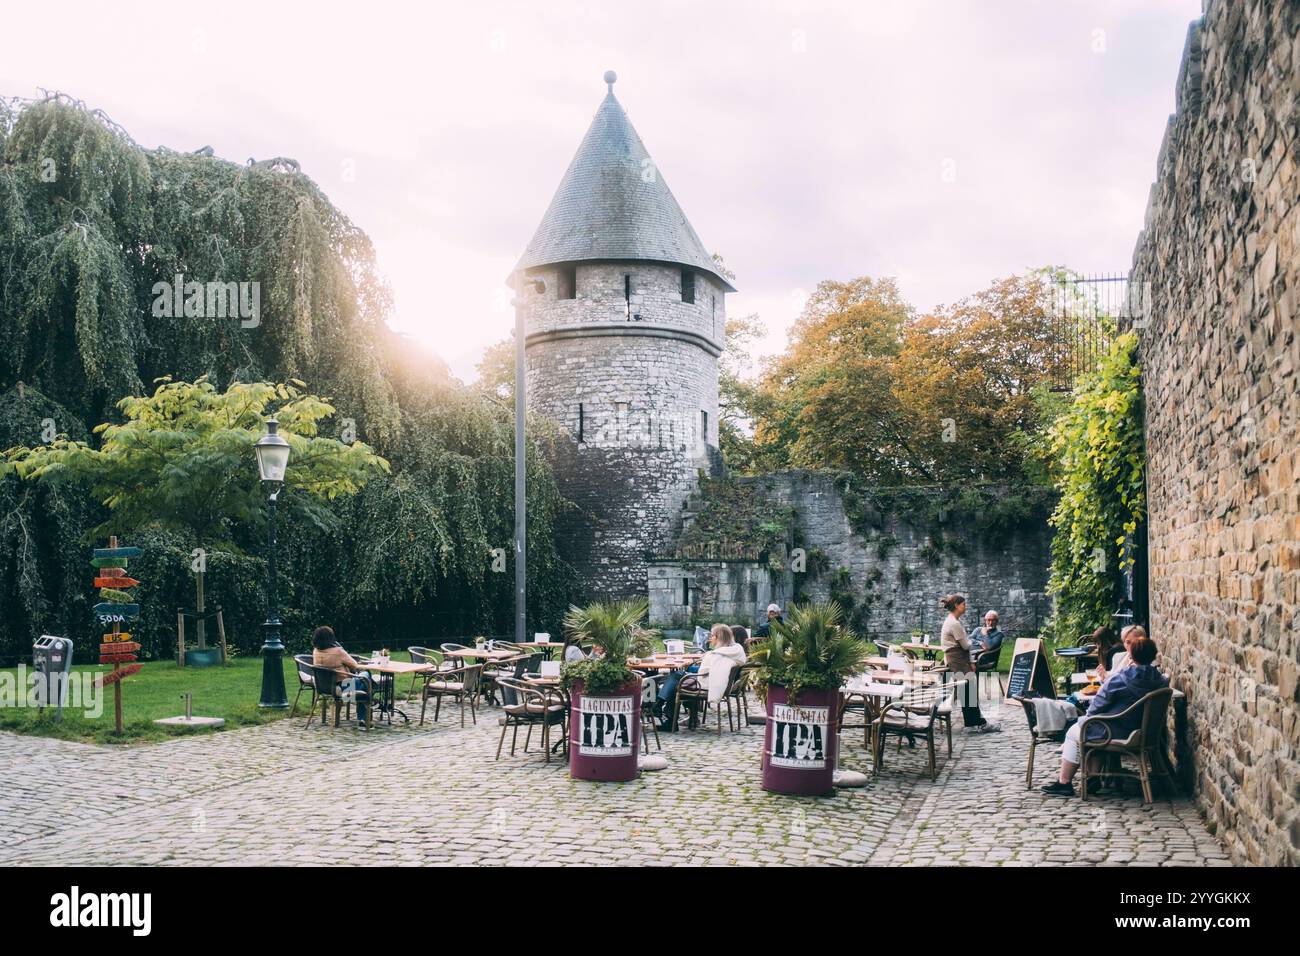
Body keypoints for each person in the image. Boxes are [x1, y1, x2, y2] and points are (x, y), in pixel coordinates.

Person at [1042, 635, 1168, 797]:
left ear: (1131, 655)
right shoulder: (1160, 680)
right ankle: (1092, 777)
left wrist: (1091, 715)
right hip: (1144, 730)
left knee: (1076, 731)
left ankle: (1064, 782)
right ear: (1153, 655)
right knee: (1093, 727)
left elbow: (1095, 708)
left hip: (1117, 732)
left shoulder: (1120, 678)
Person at [655, 623, 747, 730]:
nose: (710, 638)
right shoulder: (733, 651)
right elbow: (712, 671)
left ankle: (660, 707)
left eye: (712, 636)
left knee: (675, 677)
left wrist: (689, 668)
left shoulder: (716, 655)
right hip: (719, 683)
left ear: (718, 637)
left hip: (706, 684)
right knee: (676, 678)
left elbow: (704, 672)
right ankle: (663, 710)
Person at [939, 594, 991, 731]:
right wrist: (978, 644)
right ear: (956, 605)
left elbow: (965, 645)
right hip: (956, 658)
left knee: (967, 689)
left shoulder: (953, 620)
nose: (965, 607)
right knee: (967, 689)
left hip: (958, 657)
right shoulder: (954, 623)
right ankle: (977, 723)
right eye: (963, 604)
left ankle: (975, 722)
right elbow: (966, 645)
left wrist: (971, 660)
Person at [311, 625, 372, 727]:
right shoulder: (338, 652)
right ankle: (363, 717)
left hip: (325, 687)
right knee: (366, 676)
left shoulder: (316, 651)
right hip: (345, 688)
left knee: (363, 685)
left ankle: (363, 715)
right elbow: (355, 665)